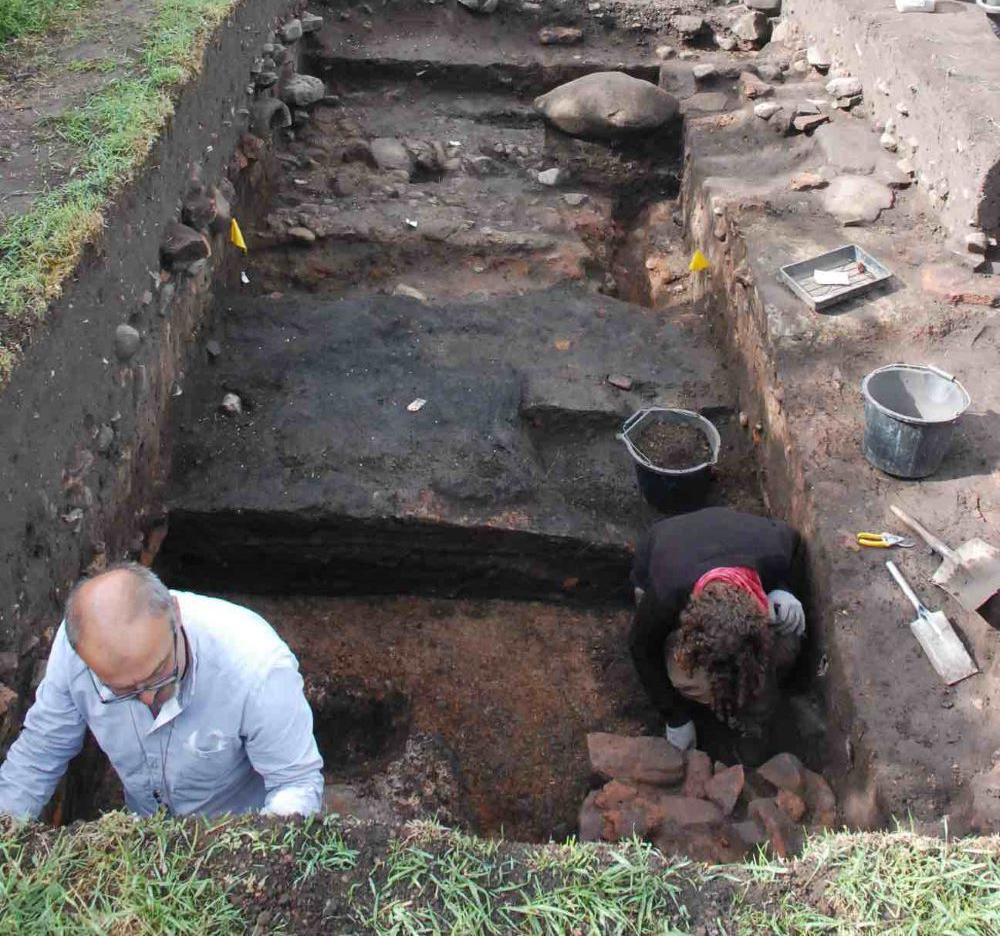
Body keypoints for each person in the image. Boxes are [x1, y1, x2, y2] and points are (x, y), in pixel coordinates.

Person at [0, 563, 323, 820]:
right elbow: (41, 751)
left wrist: (252, 857)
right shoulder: (78, 650)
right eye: (123, 690)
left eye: (158, 675)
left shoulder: (257, 668)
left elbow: (296, 785)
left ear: (175, 614)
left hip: (234, 835)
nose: (147, 699)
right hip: (143, 836)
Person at [629, 507, 805, 752]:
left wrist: (783, 589)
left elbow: (795, 544)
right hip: (669, 549)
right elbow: (640, 646)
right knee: (691, 678)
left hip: (733, 537)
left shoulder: (775, 549)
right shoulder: (666, 595)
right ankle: (720, 698)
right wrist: (675, 717)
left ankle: (751, 707)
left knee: (788, 640)